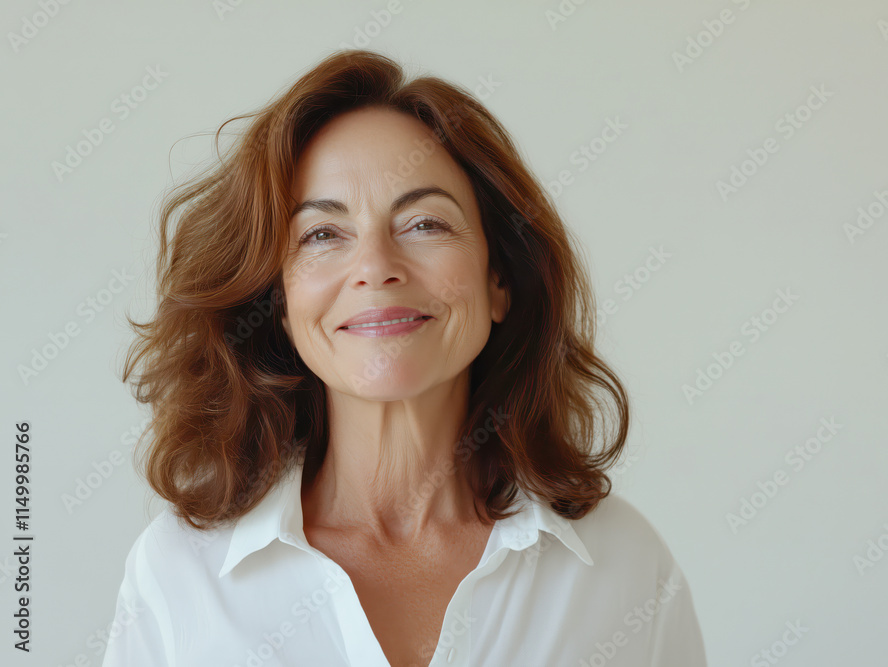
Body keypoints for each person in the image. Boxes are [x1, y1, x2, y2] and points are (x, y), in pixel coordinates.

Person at [103, 49, 708, 667]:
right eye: (321, 234)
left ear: (499, 278)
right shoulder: (178, 575)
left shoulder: (624, 565)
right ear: (280, 302)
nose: (375, 268)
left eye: (424, 224)